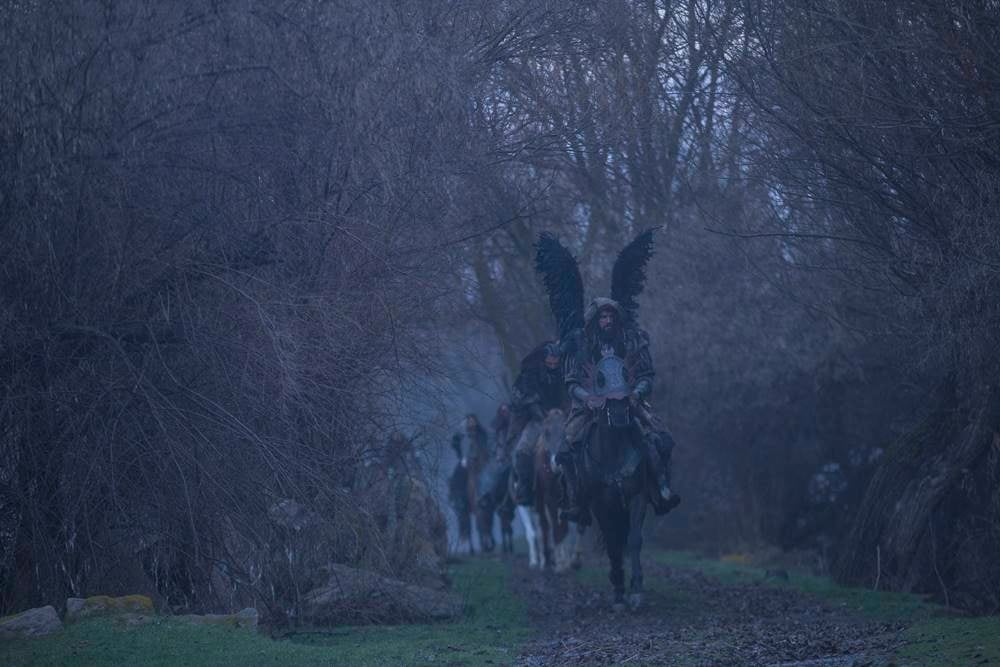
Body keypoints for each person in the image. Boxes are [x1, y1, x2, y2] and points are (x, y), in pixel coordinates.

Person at [533, 229, 679, 526]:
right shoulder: (581, 344)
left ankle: (660, 490)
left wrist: (637, 392)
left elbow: (647, 374)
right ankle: (574, 502)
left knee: (659, 440)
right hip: (591, 408)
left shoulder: (633, 340)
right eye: (603, 317)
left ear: (617, 318)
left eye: (611, 316)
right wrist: (590, 399)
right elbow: (573, 382)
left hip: (630, 403)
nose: (607, 320)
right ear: (596, 320)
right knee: (566, 448)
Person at [507, 341, 569, 503]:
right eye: (550, 363)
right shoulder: (530, 375)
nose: (553, 366)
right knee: (523, 449)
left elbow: (567, 394)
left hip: (563, 417)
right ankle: (524, 487)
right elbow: (528, 399)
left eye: (556, 363)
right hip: (538, 418)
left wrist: (565, 411)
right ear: (544, 360)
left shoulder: (564, 371)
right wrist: (543, 415)